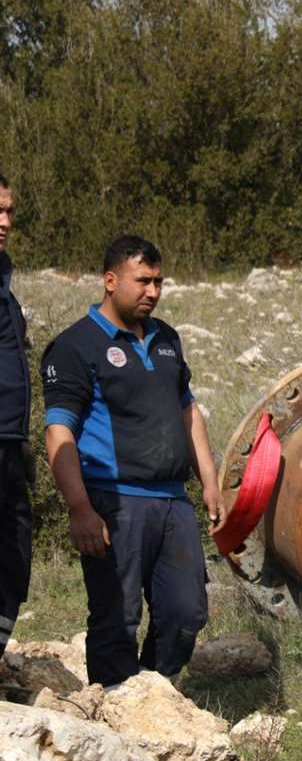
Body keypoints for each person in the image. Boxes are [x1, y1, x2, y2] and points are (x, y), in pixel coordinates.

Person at [41, 236, 224, 688]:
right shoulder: (75, 346)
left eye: (159, 282)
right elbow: (58, 432)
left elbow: (188, 411)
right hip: (114, 502)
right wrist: (80, 509)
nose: (153, 291)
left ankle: (151, 692)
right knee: (116, 617)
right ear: (110, 280)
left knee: (187, 610)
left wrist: (211, 482)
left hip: (173, 503)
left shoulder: (167, 339)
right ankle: (115, 709)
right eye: (142, 281)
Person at [0, 173, 33, 658]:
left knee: (13, 553)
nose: (4, 222)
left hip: (8, 442)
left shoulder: (4, 282)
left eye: (8, 212)